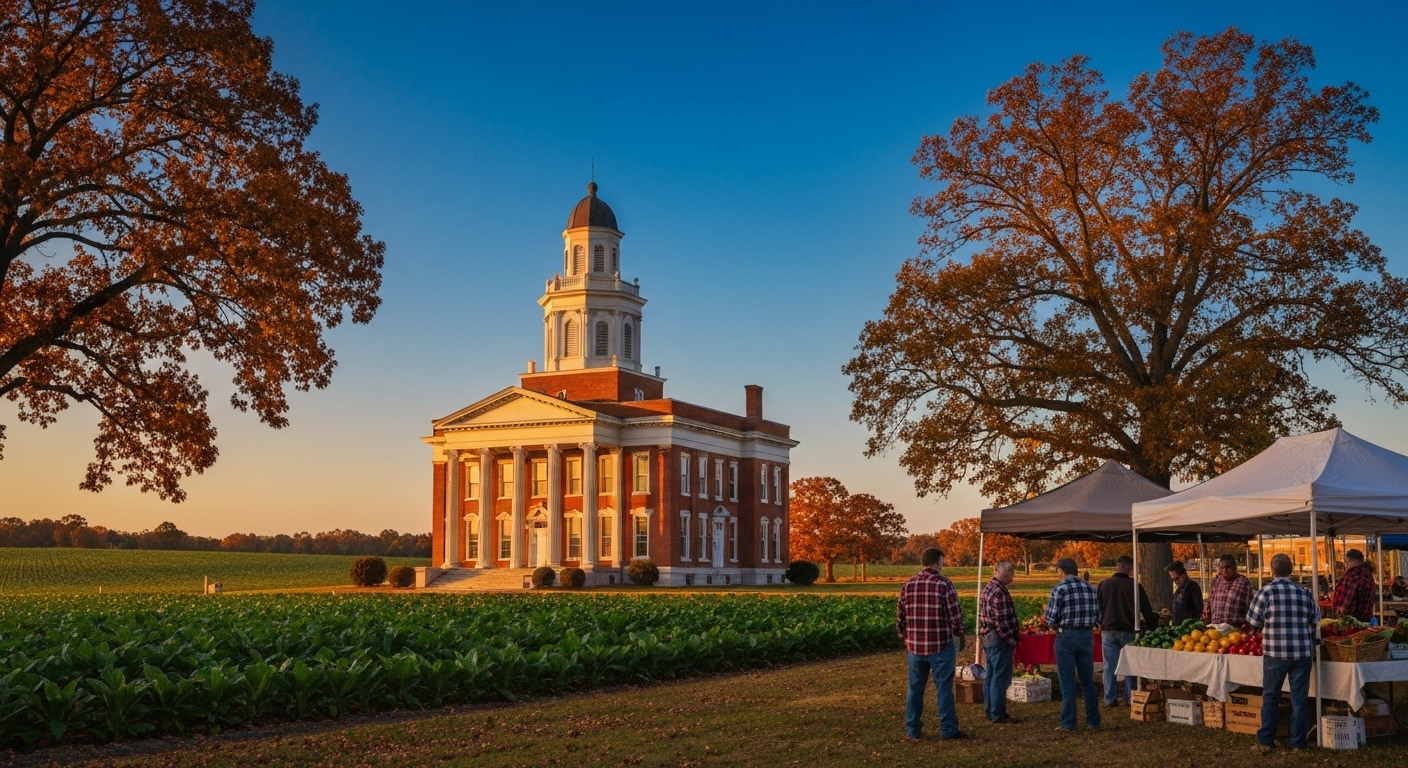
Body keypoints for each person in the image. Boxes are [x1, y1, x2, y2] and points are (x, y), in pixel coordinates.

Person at [1246, 553, 1319, 752]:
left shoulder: (1265, 592)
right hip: (1301, 652)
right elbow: (1315, 621)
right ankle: (1298, 742)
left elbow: (1252, 621)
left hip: (1275, 652)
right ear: (1291, 570)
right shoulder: (1305, 592)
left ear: (1272, 570)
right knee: (1299, 698)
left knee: (1270, 696)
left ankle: (1266, 739)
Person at [897, 547, 967, 741]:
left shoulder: (908, 585)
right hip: (940, 646)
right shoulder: (944, 584)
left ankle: (913, 730)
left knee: (915, 689)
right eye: (943, 561)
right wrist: (960, 634)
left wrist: (904, 635)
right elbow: (955, 616)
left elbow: (900, 616)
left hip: (915, 647)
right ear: (939, 562)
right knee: (944, 689)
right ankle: (948, 730)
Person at [1044, 557, 1101, 732]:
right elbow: (1098, 617)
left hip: (1066, 635)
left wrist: (1049, 617)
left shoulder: (1060, 588)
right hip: (1086, 635)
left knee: (1067, 681)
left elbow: (1051, 618)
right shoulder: (1091, 589)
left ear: (1061, 571)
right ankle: (1093, 720)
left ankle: (1068, 723)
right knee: (1087, 680)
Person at [1096, 555, 1158, 707]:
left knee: (1109, 667)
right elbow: (1146, 610)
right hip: (1129, 630)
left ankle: (1110, 698)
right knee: (1130, 665)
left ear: (1117, 567)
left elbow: (1097, 608)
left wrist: (1098, 623)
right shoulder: (1135, 586)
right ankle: (1131, 697)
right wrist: (1153, 624)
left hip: (1109, 630)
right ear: (1130, 570)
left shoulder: (1104, 585)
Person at [979, 561, 1019, 724]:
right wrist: (1011, 639)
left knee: (991, 674)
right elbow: (1001, 622)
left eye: (1013, 571)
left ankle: (990, 710)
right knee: (1000, 676)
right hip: (998, 637)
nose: (1012, 574)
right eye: (1009, 570)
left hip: (988, 635)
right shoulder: (999, 591)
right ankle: (998, 713)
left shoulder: (990, 587)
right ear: (997, 571)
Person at [1205, 554, 1255, 626]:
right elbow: (1210, 601)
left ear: (1234, 568)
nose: (1224, 570)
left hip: (1235, 630)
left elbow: (1251, 607)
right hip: (1215, 630)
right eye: (1222, 567)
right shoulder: (1215, 582)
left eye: (1228, 567)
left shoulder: (1243, 583)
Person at [1333, 549, 1376, 622]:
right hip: (1366, 619)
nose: (1346, 566)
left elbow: (1348, 603)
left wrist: (1340, 614)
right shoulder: (1368, 575)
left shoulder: (1352, 576)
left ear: (1349, 561)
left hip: (1352, 622)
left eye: (1346, 562)